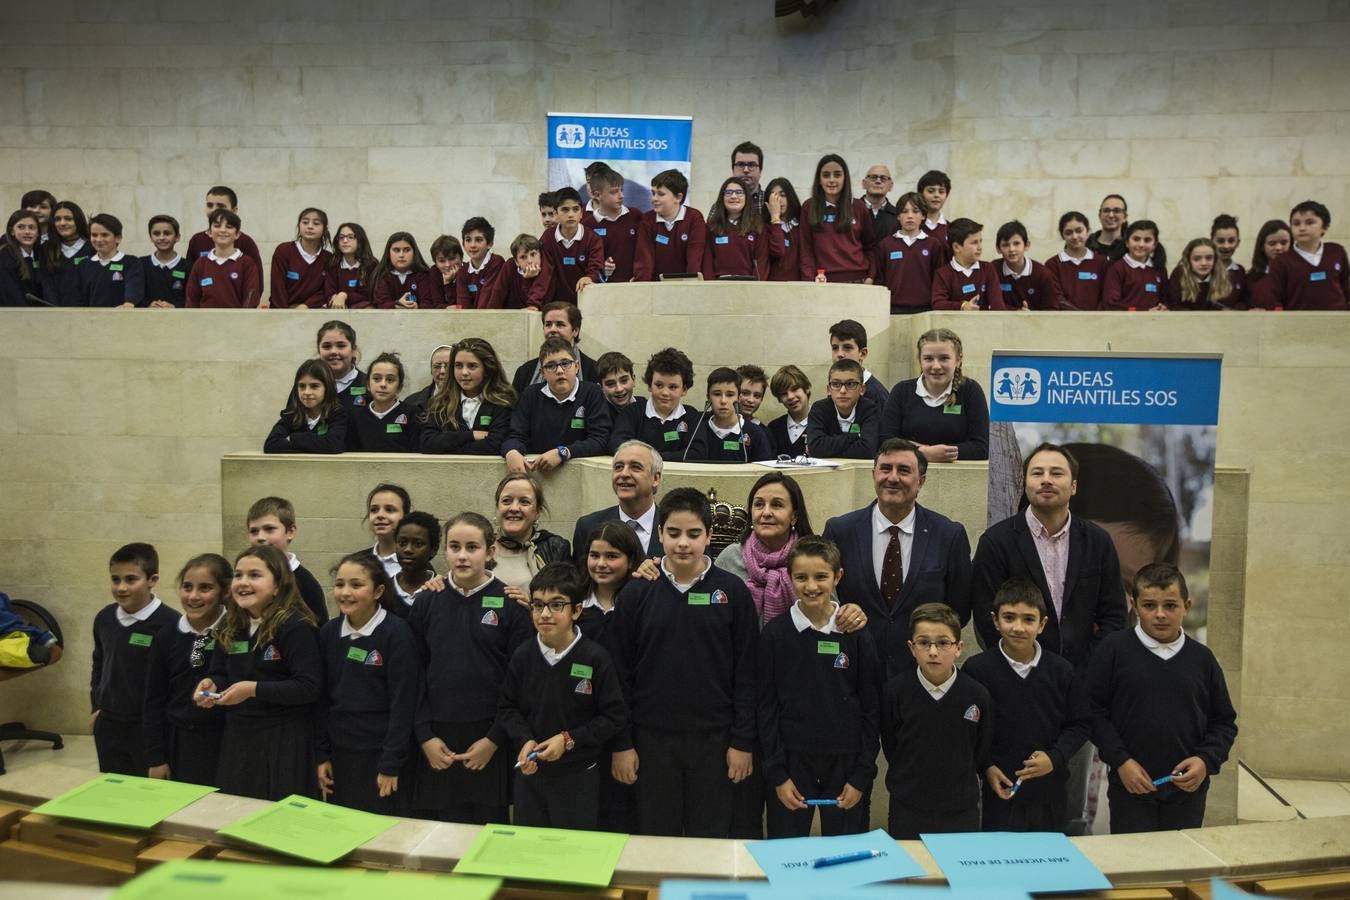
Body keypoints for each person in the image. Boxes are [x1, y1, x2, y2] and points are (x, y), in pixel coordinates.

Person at [609, 488, 758, 838]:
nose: (683, 544)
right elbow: (620, 675)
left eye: (693, 534)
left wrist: (742, 742)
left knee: (710, 835)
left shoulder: (733, 593)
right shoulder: (636, 593)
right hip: (651, 741)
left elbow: (747, 673)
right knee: (656, 834)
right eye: (673, 533)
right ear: (659, 533)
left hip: (716, 742)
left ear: (709, 535)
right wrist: (622, 743)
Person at [1088, 563, 1237, 834]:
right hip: (1131, 786)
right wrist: (1121, 761)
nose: (1160, 615)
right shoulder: (1113, 650)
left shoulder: (1202, 659)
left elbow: (1224, 722)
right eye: (1149, 605)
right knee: (1134, 867)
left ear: (1187, 606)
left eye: (1170, 605)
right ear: (1133, 604)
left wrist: (1205, 760)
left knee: (1180, 866)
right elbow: (1094, 713)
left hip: (1187, 792)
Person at [410, 512, 531, 824]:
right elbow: (412, 676)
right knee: (437, 837)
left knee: (486, 833)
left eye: (472, 547)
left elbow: (518, 682)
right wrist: (424, 736)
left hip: (489, 738)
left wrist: (494, 740)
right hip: (437, 739)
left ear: (489, 552)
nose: (462, 555)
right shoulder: (427, 601)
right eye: (454, 547)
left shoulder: (509, 604)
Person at [759, 537, 881, 838]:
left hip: (846, 763)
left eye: (821, 577)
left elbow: (871, 707)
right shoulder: (775, 635)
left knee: (846, 851)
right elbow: (766, 706)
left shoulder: (857, 635)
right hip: (791, 761)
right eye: (801, 577)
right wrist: (778, 773)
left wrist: (861, 775)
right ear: (789, 578)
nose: (811, 586)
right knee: (787, 849)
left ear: (838, 577)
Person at [822, 438, 973, 676]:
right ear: (874, 474)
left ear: (920, 481)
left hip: (919, 674)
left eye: (904, 470)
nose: (892, 477)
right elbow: (825, 598)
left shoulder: (948, 535)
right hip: (854, 668)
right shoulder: (840, 531)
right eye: (885, 469)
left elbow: (959, 610)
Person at [495, 563, 628, 829]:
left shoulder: (595, 657)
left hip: (578, 777)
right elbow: (507, 708)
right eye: (538, 605)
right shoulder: (523, 655)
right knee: (530, 854)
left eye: (557, 605)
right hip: (531, 776)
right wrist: (525, 740)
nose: (545, 614)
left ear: (576, 610)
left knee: (572, 855)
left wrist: (569, 739)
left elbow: (613, 717)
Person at [972, 442, 1126, 670]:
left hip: (1085, 676)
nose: (1046, 479)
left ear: (1073, 486)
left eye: (1056, 473)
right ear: (1025, 484)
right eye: (1037, 473)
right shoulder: (996, 542)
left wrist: (1091, 666)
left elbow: (1114, 615)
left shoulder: (1098, 542)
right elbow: (986, 615)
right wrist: (1021, 664)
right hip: (1019, 675)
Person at [963, 577, 1090, 833]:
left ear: (1042, 624)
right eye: (1009, 618)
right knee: (1001, 864)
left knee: (1047, 865)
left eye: (1028, 619)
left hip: (1050, 793)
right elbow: (969, 731)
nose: (1018, 627)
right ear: (995, 620)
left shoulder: (1062, 671)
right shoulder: (977, 670)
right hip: (999, 792)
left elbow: (1080, 725)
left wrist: (1054, 758)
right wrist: (986, 766)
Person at [195, 546, 322, 800]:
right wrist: (211, 684)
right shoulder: (231, 623)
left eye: (254, 575)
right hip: (239, 736)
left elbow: (309, 686)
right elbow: (221, 672)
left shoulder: (295, 626)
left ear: (277, 586)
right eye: (238, 575)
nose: (243, 582)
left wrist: (252, 689)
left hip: (283, 740)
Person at [316, 552, 421, 814]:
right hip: (341, 756)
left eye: (356, 585)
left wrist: (391, 764)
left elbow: (403, 705)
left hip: (381, 757)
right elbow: (320, 701)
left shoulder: (397, 634)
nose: (345, 592)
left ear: (378, 591)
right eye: (340, 584)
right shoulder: (328, 633)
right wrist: (322, 756)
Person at [880, 602, 991, 839]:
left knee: (957, 872)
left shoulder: (977, 695)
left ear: (959, 647)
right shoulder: (895, 692)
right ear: (912, 647)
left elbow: (980, 749)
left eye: (942, 643)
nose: (933, 651)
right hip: (908, 806)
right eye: (924, 643)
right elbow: (891, 745)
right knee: (912, 872)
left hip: (961, 809)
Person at [91, 542, 180, 775]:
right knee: (114, 793)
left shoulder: (171, 623)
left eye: (131, 579)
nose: (121, 587)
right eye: (115, 579)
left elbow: (176, 683)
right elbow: (99, 664)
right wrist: (96, 707)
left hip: (148, 729)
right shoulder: (104, 618)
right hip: (109, 724)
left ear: (152, 580)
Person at [142, 553, 229, 785]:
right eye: (187, 587)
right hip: (179, 741)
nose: (193, 596)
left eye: (205, 588)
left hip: (225, 741)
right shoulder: (167, 635)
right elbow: (154, 699)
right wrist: (156, 758)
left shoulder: (235, 631)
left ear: (225, 591)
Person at [502, 336, 613, 474]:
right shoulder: (530, 395)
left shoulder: (592, 392)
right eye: (551, 366)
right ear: (542, 373)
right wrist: (511, 451)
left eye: (565, 363)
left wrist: (563, 452)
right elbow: (514, 435)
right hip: (537, 474)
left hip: (578, 475)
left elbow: (600, 440)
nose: (559, 370)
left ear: (577, 366)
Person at [879, 327, 989, 462]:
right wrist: (923, 453)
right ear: (920, 360)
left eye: (944, 358)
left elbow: (981, 447)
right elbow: (886, 441)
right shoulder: (901, 391)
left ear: (958, 360)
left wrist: (938, 453)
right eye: (928, 358)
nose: (936, 366)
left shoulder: (971, 391)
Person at [572, 440, 666, 567]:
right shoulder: (588, 526)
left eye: (635, 467)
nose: (624, 474)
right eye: (618, 467)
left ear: (656, 478)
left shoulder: (672, 528)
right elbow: (582, 582)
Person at [420, 338, 516, 456]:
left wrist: (448, 446)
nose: (464, 372)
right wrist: (472, 435)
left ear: (487, 369)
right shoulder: (441, 402)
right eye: (458, 366)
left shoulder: (503, 402)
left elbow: (495, 445)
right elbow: (427, 443)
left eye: (472, 366)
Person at [246, 496, 329, 625]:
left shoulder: (306, 583)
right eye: (254, 531)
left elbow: (319, 629)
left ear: (290, 532)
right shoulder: (244, 579)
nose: (260, 537)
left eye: (269, 529)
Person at [489, 473, 572, 599]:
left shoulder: (556, 548)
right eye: (506, 501)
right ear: (497, 508)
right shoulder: (480, 547)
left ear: (537, 512)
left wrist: (534, 606)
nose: (514, 508)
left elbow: (566, 606)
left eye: (524, 502)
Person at [608, 348, 699, 459]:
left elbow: (696, 453)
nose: (665, 393)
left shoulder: (692, 416)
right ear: (649, 385)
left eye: (673, 387)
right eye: (659, 385)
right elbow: (618, 445)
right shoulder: (632, 412)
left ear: (684, 389)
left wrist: (651, 458)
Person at [798, 154, 876, 283]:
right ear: (819, 179)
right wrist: (808, 281)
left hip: (859, 280)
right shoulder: (809, 207)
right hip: (823, 282)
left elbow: (870, 247)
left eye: (837, 175)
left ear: (845, 178)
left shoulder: (859, 207)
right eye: (826, 175)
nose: (832, 180)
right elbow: (806, 250)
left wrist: (870, 276)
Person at [1264, 200, 1348, 310]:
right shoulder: (1280, 262)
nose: (1302, 228)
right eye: (1296, 223)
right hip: (1298, 323)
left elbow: (1346, 286)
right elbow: (1275, 300)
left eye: (1309, 222)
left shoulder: (1337, 251)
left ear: (1325, 227)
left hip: (1338, 321)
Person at [682, 367, 774, 463]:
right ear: (708, 398)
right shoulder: (697, 430)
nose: (723, 401)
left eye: (730, 395)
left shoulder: (756, 433)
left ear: (738, 398)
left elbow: (764, 473)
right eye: (717, 394)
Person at [510, 302, 599, 395]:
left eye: (560, 325)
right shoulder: (525, 371)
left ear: (575, 330)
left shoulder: (593, 370)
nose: (552, 329)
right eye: (548, 325)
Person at [633, 169, 707, 281]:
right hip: (655, 288)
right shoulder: (647, 220)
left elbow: (695, 258)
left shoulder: (694, 218)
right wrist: (644, 289)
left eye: (661, 194)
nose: (654, 199)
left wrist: (691, 288)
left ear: (678, 197)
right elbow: (644, 261)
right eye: (653, 193)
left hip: (686, 287)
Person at [263, 359, 349, 454]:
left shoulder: (338, 414)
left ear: (327, 388)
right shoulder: (291, 415)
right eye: (302, 386)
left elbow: (334, 445)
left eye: (314, 386)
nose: (307, 392)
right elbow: (271, 445)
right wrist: (318, 444)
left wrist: (294, 437)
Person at [875, 191, 940, 312]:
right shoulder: (886, 245)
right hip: (892, 308)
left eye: (915, 211)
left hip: (925, 308)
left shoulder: (933, 245)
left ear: (923, 215)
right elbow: (880, 279)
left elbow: (937, 280)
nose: (910, 216)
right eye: (904, 212)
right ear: (898, 216)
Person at [537, 187, 603, 304]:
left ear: (581, 213)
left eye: (575, 209)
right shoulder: (547, 238)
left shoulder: (593, 239)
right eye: (565, 210)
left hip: (585, 303)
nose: (571, 214)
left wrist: (590, 277)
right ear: (556, 213)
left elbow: (595, 269)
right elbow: (544, 274)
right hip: (554, 304)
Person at [184, 209, 262, 308]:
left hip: (237, 321)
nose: (223, 230)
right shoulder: (200, 264)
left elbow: (251, 298)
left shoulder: (247, 264)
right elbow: (191, 299)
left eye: (229, 227)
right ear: (210, 232)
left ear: (237, 234)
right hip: (205, 322)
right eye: (217, 226)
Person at [805, 358, 880, 459]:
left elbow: (868, 450)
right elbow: (815, 448)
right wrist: (854, 436)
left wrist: (827, 449)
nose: (843, 390)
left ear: (862, 389)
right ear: (828, 389)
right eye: (836, 384)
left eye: (850, 384)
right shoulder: (819, 409)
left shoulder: (870, 409)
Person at [348, 352, 419, 452]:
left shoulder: (412, 414)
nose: (383, 384)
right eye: (377, 379)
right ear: (368, 384)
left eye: (390, 380)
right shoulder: (356, 415)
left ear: (399, 387)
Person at [184, 185, 265, 273]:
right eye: (210, 205)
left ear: (234, 211)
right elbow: (189, 277)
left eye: (220, 206)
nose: (213, 210)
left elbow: (257, 280)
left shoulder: (246, 242)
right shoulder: (197, 240)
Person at [583, 167, 641, 284]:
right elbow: (584, 260)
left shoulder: (636, 216)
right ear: (597, 195)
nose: (621, 196)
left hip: (634, 285)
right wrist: (601, 267)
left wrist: (641, 275)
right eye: (614, 192)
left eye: (622, 190)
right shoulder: (586, 225)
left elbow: (644, 252)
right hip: (601, 289)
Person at [702, 176, 768, 280]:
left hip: (748, 286)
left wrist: (756, 286)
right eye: (728, 193)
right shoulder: (711, 227)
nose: (733, 196)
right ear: (722, 197)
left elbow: (761, 261)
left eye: (739, 192)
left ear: (746, 197)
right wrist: (710, 285)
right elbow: (707, 262)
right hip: (718, 286)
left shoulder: (757, 226)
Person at [932, 218, 1005, 310]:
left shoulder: (988, 269)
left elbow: (998, 306)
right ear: (957, 247)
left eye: (980, 241)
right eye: (974, 242)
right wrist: (962, 306)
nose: (979, 247)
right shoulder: (943, 274)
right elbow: (938, 304)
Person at [268, 208, 332, 309]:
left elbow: (327, 290)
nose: (310, 226)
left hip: (313, 312)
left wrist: (306, 305)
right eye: (305, 222)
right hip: (282, 312)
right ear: (299, 226)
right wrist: (284, 313)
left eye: (316, 223)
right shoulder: (284, 251)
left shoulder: (328, 258)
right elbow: (277, 287)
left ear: (324, 229)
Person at [995, 220, 1065, 310]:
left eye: (1016, 243)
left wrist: (1030, 317)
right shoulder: (993, 270)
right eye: (1005, 245)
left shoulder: (1043, 274)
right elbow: (990, 304)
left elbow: (1051, 309)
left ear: (1027, 245)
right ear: (998, 249)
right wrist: (1016, 312)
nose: (1011, 249)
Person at [1044, 211, 1108, 310]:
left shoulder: (1101, 262)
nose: (1074, 236)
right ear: (1062, 235)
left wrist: (1095, 318)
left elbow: (1106, 296)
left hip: (1096, 321)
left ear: (1087, 231)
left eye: (1079, 231)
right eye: (1068, 233)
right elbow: (1057, 297)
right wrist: (1078, 316)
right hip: (1065, 321)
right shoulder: (1053, 264)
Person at [80, 213, 145, 308]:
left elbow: (134, 287)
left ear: (118, 238)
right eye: (94, 235)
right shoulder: (84, 264)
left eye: (104, 235)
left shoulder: (131, 262)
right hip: (92, 320)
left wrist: (129, 303)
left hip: (122, 318)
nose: (98, 239)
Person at [1102, 220, 1168, 310]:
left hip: (1153, 322)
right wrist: (1144, 311)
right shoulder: (1116, 268)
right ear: (1127, 242)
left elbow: (1166, 299)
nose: (1141, 244)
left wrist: (1163, 307)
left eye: (1147, 240)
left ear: (1154, 245)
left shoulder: (1159, 269)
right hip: (1123, 322)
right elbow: (1110, 304)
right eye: (1136, 239)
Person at [827, 319, 888, 411]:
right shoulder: (834, 387)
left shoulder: (877, 394)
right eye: (835, 348)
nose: (839, 354)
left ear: (862, 354)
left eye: (847, 347)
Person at [1164, 238, 1232, 311]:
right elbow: (1174, 306)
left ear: (1215, 259)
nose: (1203, 263)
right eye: (1196, 259)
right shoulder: (1179, 274)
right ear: (1188, 260)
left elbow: (1220, 305)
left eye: (1209, 258)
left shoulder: (1221, 275)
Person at [361, 483, 411, 580]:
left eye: (389, 510)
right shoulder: (356, 562)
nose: (380, 515)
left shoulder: (418, 566)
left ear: (405, 517)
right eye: (374, 510)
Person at [455, 216, 507, 308]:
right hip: (471, 320)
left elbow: (489, 302)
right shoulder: (462, 272)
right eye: (468, 240)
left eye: (478, 240)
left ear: (489, 244)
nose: (472, 245)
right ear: (463, 244)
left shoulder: (497, 262)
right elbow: (463, 306)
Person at [323, 222, 378, 310]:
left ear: (360, 241)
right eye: (341, 237)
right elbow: (329, 293)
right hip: (338, 309)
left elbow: (369, 295)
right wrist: (335, 299)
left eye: (350, 237)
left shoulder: (371, 264)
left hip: (364, 310)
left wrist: (344, 295)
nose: (345, 241)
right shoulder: (333, 264)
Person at [372, 232, 433, 309]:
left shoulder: (423, 275)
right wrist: (397, 304)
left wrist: (417, 307)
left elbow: (428, 303)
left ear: (414, 252)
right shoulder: (382, 275)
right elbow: (380, 303)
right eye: (396, 250)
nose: (401, 255)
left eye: (407, 250)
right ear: (388, 253)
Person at [316, 320, 367, 410]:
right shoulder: (307, 384)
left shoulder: (369, 385)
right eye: (327, 346)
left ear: (353, 350)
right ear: (319, 351)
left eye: (341, 345)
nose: (334, 351)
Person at [392, 513, 440, 608]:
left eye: (418, 544)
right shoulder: (382, 592)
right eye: (402, 543)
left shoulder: (441, 591)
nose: (408, 549)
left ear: (433, 550)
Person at [141, 215, 187, 308]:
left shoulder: (189, 266)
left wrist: (175, 306)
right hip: (146, 319)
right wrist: (148, 304)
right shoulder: (140, 264)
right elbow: (134, 295)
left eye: (167, 233)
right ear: (150, 237)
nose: (161, 237)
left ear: (177, 237)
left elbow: (192, 298)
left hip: (179, 320)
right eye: (156, 233)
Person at [766, 365, 812, 457]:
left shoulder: (823, 424)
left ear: (806, 389)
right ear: (779, 399)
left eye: (794, 389)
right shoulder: (773, 428)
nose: (790, 396)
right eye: (783, 393)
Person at [763, 177, 803, 282]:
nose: (778, 200)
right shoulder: (764, 227)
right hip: (772, 287)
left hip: (799, 286)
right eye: (773, 196)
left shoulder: (801, 224)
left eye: (782, 195)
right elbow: (778, 251)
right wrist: (775, 218)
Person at [0, 210, 42, 307]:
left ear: (38, 232)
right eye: (21, 227)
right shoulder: (5, 255)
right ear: (12, 231)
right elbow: (10, 295)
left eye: (31, 227)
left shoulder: (40, 254)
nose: (27, 232)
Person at [1246, 219, 1291, 309]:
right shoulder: (1251, 278)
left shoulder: (1297, 275)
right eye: (1272, 243)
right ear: (1262, 246)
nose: (1278, 248)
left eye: (1284, 243)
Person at [1210, 214, 1249, 309]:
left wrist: (1234, 311)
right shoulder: (1204, 269)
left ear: (1238, 243)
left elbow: (1244, 301)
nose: (1226, 246)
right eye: (1220, 241)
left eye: (1231, 241)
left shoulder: (1240, 271)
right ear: (1211, 241)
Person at [404, 344, 452, 419]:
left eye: (448, 366)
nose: (442, 371)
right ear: (431, 371)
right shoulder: (411, 402)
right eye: (437, 366)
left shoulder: (468, 400)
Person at [917, 169, 952, 262]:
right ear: (921, 194)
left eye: (941, 191)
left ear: (946, 195)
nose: (936, 195)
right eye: (931, 191)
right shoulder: (910, 226)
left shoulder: (951, 229)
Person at [860, 164, 898, 240]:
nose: (878, 181)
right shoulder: (849, 211)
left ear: (890, 186)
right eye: (873, 177)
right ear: (864, 183)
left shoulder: (898, 215)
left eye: (883, 178)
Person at [1087, 194, 1128, 260]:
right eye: (1106, 210)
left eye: (1116, 211)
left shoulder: (1131, 247)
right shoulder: (1086, 245)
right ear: (1099, 215)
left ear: (1125, 217)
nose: (1111, 215)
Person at [731, 140, 765, 212]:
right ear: (733, 170)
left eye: (751, 165)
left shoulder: (770, 203)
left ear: (760, 171)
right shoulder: (720, 205)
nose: (746, 170)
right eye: (740, 164)